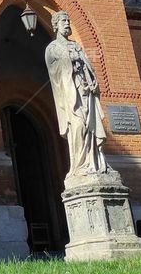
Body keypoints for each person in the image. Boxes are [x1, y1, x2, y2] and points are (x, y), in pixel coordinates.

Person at [44, 11, 108, 181]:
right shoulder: (53, 48)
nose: (67, 23)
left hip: (85, 91)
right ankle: (80, 166)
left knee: (91, 126)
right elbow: (54, 72)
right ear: (56, 25)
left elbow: (89, 67)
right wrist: (69, 61)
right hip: (71, 94)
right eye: (63, 21)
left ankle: (93, 162)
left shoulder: (77, 46)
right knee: (78, 126)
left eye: (68, 20)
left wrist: (93, 80)